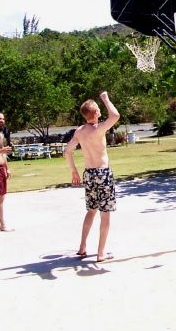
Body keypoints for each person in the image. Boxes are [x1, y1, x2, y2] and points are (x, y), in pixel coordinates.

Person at [64, 91, 121, 263]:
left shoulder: (80, 131)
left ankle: (82, 247)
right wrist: (105, 99)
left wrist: (73, 170)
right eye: (98, 108)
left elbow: (67, 151)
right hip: (103, 173)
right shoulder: (99, 129)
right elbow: (115, 115)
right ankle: (101, 253)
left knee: (91, 211)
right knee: (105, 213)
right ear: (95, 113)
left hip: (89, 174)